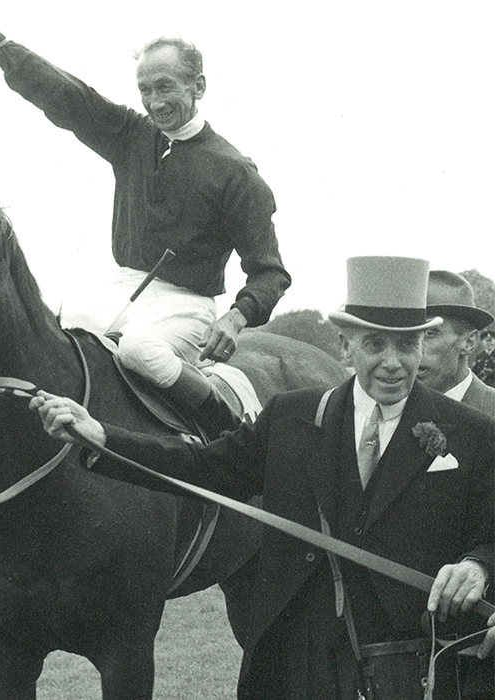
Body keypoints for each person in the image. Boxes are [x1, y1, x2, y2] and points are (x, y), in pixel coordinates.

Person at [31, 256, 494, 700]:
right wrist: (103, 438)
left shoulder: (473, 434)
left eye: (406, 345)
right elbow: (203, 467)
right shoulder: (290, 417)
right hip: (299, 662)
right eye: (376, 344)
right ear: (345, 346)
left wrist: (477, 565)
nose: (393, 362)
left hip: (410, 665)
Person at [0, 0, 291, 435]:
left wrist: (235, 318)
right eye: (145, 90)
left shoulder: (236, 172)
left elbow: (270, 273)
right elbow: (63, 93)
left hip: (185, 304)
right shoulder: (132, 136)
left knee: (140, 351)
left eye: (165, 87)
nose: (155, 103)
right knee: (59, 339)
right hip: (122, 288)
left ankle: (224, 430)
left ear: (197, 85)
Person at [419, 271, 495, 699]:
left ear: (468, 342)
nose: (412, 351)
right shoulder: (381, 423)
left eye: (428, 335)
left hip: (476, 660)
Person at [420, 270, 495, 413]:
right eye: (409, 336)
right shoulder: (394, 409)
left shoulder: (491, 411)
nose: (415, 348)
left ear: (469, 343)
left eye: (429, 333)